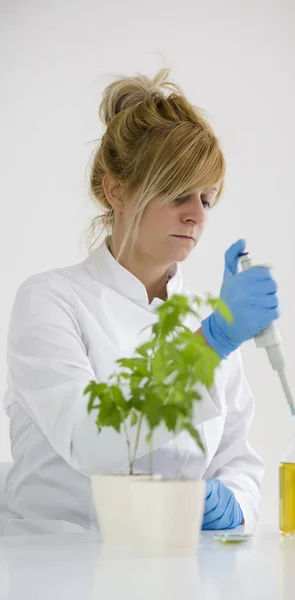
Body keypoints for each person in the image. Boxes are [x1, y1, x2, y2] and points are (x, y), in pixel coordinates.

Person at [1, 68, 279, 535]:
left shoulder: (204, 319)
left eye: (206, 199)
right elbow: (87, 438)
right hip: (56, 568)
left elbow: (238, 459)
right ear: (117, 191)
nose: (195, 215)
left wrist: (233, 501)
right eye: (175, 194)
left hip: (178, 567)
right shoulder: (51, 301)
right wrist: (206, 346)